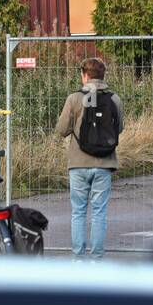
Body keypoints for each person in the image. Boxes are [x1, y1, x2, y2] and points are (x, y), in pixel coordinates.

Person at [53, 57, 123, 259]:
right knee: (99, 213)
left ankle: (78, 258)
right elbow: (119, 128)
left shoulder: (74, 99)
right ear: (103, 75)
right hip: (104, 162)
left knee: (78, 212)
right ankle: (96, 260)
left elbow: (61, 130)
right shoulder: (114, 99)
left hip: (78, 163)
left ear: (85, 75)